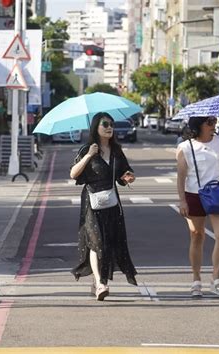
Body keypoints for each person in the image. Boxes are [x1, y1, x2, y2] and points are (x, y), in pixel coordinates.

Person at [70, 112, 138, 301]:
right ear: (96, 128)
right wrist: (89, 156)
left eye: (111, 124)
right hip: (91, 202)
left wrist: (128, 177)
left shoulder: (116, 151)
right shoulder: (87, 149)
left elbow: (124, 174)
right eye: (105, 124)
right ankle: (100, 283)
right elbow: (73, 174)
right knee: (96, 242)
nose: (109, 127)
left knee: (107, 244)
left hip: (111, 203)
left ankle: (96, 282)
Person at [176, 116, 219, 298]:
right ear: (198, 126)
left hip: (216, 194)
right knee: (197, 236)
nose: (213, 125)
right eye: (209, 122)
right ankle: (196, 280)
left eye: (214, 122)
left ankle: (216, 279)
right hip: (194, 195)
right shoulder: (185, 147)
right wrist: (182, 200)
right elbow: (181, 176)